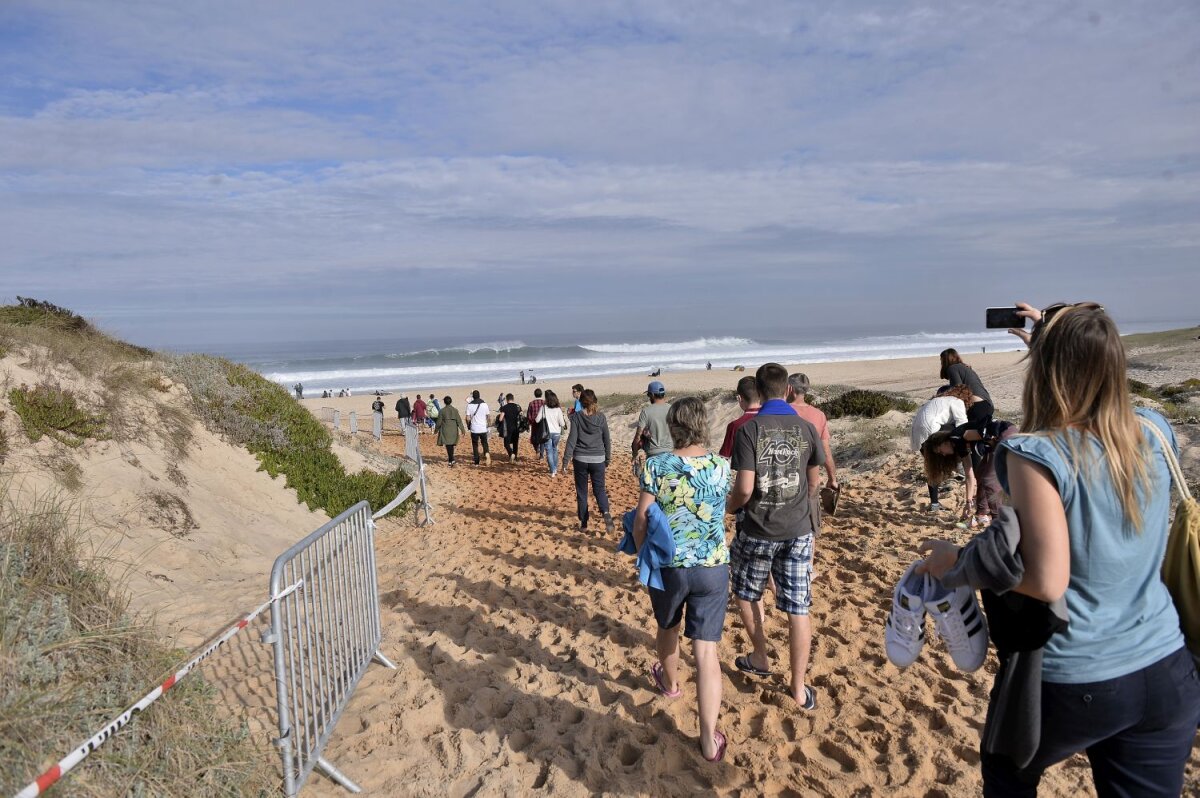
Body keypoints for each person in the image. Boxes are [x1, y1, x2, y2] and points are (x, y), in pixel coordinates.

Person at [918, 301, 1200, 796]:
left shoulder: (1034, 453)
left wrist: (956, 564)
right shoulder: (1155, 429)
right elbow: (1103, 418)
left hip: (1078, 675)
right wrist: (1058, 344)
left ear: (1044, 372)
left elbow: (1048, 579)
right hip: (1166, 668)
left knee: (1006, 772)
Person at [630, 396, 732, 762]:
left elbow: (642, 517)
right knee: (706, 652)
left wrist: (645, 556)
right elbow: (725, 508)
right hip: (712, 567)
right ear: (703, 424)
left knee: (668, 627)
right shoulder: (722, 467)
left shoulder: (657, 466)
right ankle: (707, 739)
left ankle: (671, 686)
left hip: (671, 566)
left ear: (674, 426)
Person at [726, 362, 824, 710]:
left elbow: (744, 488)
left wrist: (730, 506)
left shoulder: (749, 431)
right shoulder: (807, 427)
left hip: (757, 528)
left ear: (759, 391)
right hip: (798, 530)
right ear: (786, 391)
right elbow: (813, 483)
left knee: (746, 592)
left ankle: (761, 655)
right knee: (798, 607)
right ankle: (798, 688)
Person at [923, 418, 1015, 528]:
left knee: (988, 479)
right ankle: (982, 514)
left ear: (943, 442)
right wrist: (968, 502)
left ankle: (999, 520)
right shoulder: (959, 446)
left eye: (940, 450)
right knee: (980, 474)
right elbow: (969, 476)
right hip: (998, 439)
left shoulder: (957, 437)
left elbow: (985, 435)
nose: (943, 454)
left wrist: (993, 445)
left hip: (1004, 433)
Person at [911, 384, 973, 511]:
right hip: (931, 430)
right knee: (958, 436)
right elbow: (962, 426)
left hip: (917, 434)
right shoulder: (957, 401)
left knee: (934, 467)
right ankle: (960, 467)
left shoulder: (934, 401)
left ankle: (934, 504)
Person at [564, 388, 613, 533]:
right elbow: (607, 440)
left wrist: (565, 460)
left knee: (582, 492)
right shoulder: (601, 417)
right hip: (598, 459)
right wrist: (607, 458)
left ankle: (584, 524)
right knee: (599, 489)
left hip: (580, 458)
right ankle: (606, 513)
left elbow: (571, 440)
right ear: (594, 401)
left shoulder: (577, 417)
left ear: (581, 402)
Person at [786, 373, 838, 494]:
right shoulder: (818, 415)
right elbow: (825, 451)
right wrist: (832, 478)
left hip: (784, 474)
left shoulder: (782, 411)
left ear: (789, 389)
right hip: (810, 477)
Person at [940, 348, 993, 430]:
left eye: (942, 361)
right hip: (988, 406)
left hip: (977, 408)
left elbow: (958, 390)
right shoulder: (965, 368)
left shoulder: (952, 368)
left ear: (945, 360)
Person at [632, 380, 672, 469]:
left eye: (648, 395)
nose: (649, 397)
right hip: (671, 455)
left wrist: (634, 454)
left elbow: (638, 437)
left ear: (652, 395)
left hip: (653, 455)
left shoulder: (646, 411)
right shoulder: (672, 409)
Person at [719, 376, 761, 459]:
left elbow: (724, 458)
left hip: (745, 469)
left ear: (740, 398)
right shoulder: (772, 418)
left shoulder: (735, 426)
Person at [536, 390, 568, 476]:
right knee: (554, 449)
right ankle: (555, 468)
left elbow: (537, 420)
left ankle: (553, 470)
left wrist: (544, 417)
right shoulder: (558, 409)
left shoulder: (543, 408)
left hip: (547, 433)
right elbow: (562, 423)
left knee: (549, 451)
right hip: (556, 433)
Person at [434, 396, 466, 466]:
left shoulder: (442, 411)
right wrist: (463, 430)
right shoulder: (455, 410)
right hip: (454, 430)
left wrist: (436, 430)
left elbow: (439, 422)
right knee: (451, 445)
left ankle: (451, 459)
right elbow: (459, 421)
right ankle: (451, 459)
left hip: (446, 430)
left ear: (444, 402)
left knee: (448, 445)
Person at [465, 391, 491, 465]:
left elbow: (467, 418)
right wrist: (488, 425)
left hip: (474, 428)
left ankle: (476, 462)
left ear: (473, 397)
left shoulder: (469, 405)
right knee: (484, 443)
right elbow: (488, 417)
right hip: (483, 427)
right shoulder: (484, 404)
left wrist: (468, 425)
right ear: (479, 396)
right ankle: (486, 453)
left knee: (475, 444)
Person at [500, 393, 522, 462]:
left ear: (506, 400)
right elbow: (521, 416)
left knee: (506, 444)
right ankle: (515, 458)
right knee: (515, 443)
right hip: (516, 428)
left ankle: (511, 453)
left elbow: (500, 419)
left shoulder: (505, 407)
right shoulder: (518, 407)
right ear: (513, 399)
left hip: (507, 428)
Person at [526, 388, 546, 458]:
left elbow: (529, 415)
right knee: (542, 438)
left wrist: (530, 422)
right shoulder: (544, 402)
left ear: (534, 394)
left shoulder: (531, 403)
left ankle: (537, 450)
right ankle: (541, 453)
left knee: (534, 439)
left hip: (534, 423)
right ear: (541, 394)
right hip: (543, 423)